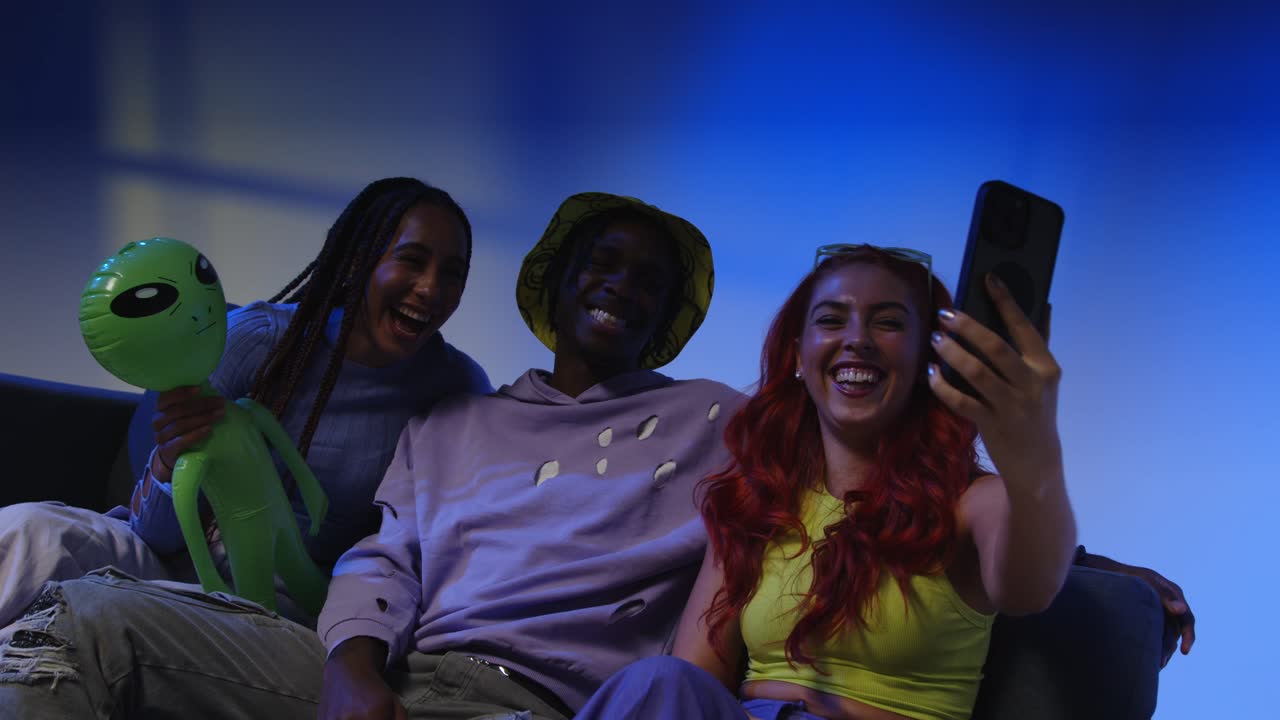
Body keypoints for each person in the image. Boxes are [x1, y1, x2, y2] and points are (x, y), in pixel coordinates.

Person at [0, 204, 1193, 720]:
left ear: (669, 321)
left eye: (647, 282)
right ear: (556, 285)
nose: (617, 288)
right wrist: (354, 665)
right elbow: (381, 557)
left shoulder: (718, 424)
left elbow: (904, 488)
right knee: (87, 617)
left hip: (540, 700)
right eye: (599, 267)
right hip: (389, 676)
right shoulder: (452, 418)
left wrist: (1102, 565)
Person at [570, 244, 1190, 720]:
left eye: (888, 323)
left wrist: (1035, 455)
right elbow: (691, 684)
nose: (857, 341)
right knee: (659, 682)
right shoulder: (758, 502)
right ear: (800, 353)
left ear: (927, 359)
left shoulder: (975, 504)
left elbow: (1030, 586)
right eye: (832, 319)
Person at [0, 177, 491, 625]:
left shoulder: (457, 389)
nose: (431, 288)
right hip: (173, 562)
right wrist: (170, 460)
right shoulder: (260, 339)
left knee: (105, 621)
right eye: (411, 260)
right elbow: (153, 535)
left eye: (453, 273)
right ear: (361, 257)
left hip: (277, 608)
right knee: (29, 530)